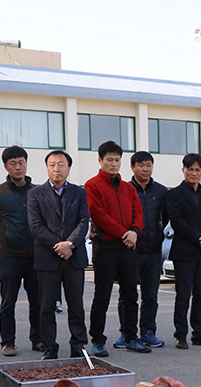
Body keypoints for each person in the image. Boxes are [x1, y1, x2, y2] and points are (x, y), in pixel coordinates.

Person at [85, 140, 150, 357]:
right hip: (105, 248)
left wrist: (135, 232)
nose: (114, 163)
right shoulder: (92, 185)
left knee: (131, 294)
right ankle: (97, 340)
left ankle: (131, 337)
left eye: (117, 159)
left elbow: (139, 214)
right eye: (109, 159)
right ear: (100, 160)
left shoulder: (128, 188)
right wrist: (125, 233)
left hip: (128, 248)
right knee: (102, 295)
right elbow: (97, 215)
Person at [27, 150, 89, 359]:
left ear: (68, 168)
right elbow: (35, 226)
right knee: (46, 306)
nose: (57, 168)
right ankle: (49, 348)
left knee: (76, 305)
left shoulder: (79, 193)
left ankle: (78, 346)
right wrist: (60, 245)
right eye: (52, 164)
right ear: (47, 168)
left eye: (61, 164)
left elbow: (83, 222)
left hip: (74, 258)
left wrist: (70, 244)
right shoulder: (35, 193)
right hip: (47, 257)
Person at [0, 145, 43, 357]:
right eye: (13, 164)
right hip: (9, 256)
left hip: (36, 255)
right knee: (8, 301)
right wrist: (6, 239)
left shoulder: (38, 191)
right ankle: (8, 342)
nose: (18, 167)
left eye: (21, 162)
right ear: (6, 166)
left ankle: (38, 339)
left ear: (26, 163)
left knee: (37, 300)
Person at [112, 151, 168, 349]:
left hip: (153, 251)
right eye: (141, 165)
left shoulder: (161, 191)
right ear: (133, 167)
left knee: (150, 295)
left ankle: (148, 332)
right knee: (127, 295)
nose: (146, 169)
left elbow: (166, 217)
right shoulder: (124, 189)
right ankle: (126, 333)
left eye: (149, 165)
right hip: (130, 250)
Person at [166, 153, 201, 349]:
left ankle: (199, 333)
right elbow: (177, 222)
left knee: (200, 294)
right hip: (184, 253)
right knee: (183, 295)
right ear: (184, 170)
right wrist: (200, 237)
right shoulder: (173, 195)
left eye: (198, 170)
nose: (194, 173)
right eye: (190, 169)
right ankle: (181, 334)